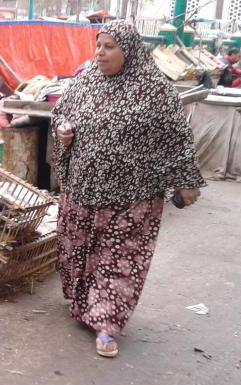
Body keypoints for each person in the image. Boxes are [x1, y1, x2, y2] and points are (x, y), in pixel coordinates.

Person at [51, 20, 205, 358]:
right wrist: (63, 131)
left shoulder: (154, 89)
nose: (100, 53)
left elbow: (176, 137)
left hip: (132, 195)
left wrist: (186, 180)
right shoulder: (86, 81)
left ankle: (107, 323)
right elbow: (60, 114)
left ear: (129, 51)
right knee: (77, 251)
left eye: (109, 47)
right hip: (83, 188)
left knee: (119, 258)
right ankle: (85, 307)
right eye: (98, 45)